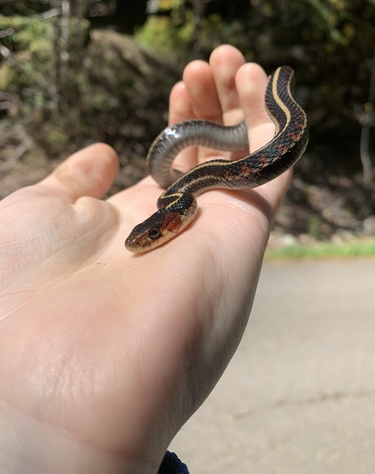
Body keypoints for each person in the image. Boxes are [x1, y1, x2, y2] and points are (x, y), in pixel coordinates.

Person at [0, 45, 291, 473]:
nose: (144, 241)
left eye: (153, 234)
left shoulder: (186, 196)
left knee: (274, 89)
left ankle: (282, 77)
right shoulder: (178, 196)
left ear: (173, 222)